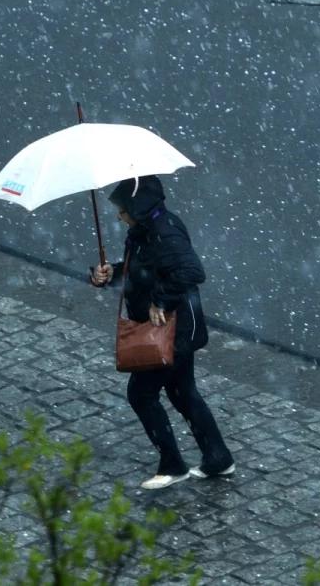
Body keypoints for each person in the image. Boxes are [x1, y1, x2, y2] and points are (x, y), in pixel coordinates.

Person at [89, 175, 235, 489]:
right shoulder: (144, 231)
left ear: (138, 208)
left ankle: (172, 464)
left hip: (171, 331)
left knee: (140, 394)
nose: (119, 215)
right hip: (174, 331)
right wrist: (112, 273)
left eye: (124, 209)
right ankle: (218, 457)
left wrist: (161, 299)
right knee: (183, 393)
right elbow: (144, 270)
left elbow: (192, 272)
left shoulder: (163, 234)